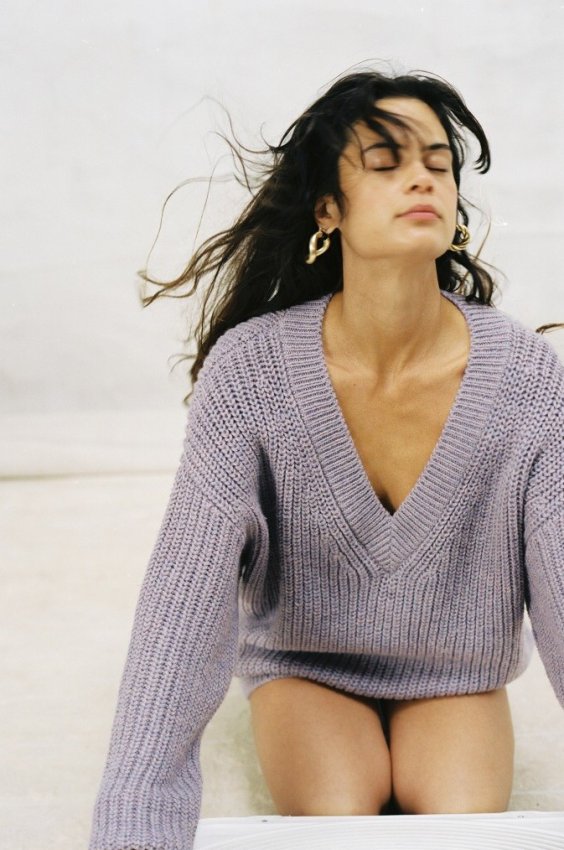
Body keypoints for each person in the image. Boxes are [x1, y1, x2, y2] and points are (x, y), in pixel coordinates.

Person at [88, 68, 564, 850]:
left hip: (456, 674)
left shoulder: (527, 377)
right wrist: (134, 821)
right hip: (306, 666)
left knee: (460, 829)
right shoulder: (249, 372)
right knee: (339, 820)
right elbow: (185, 596)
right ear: (327, 210)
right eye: (386, 161)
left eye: (439, 163)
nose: (423, 178)